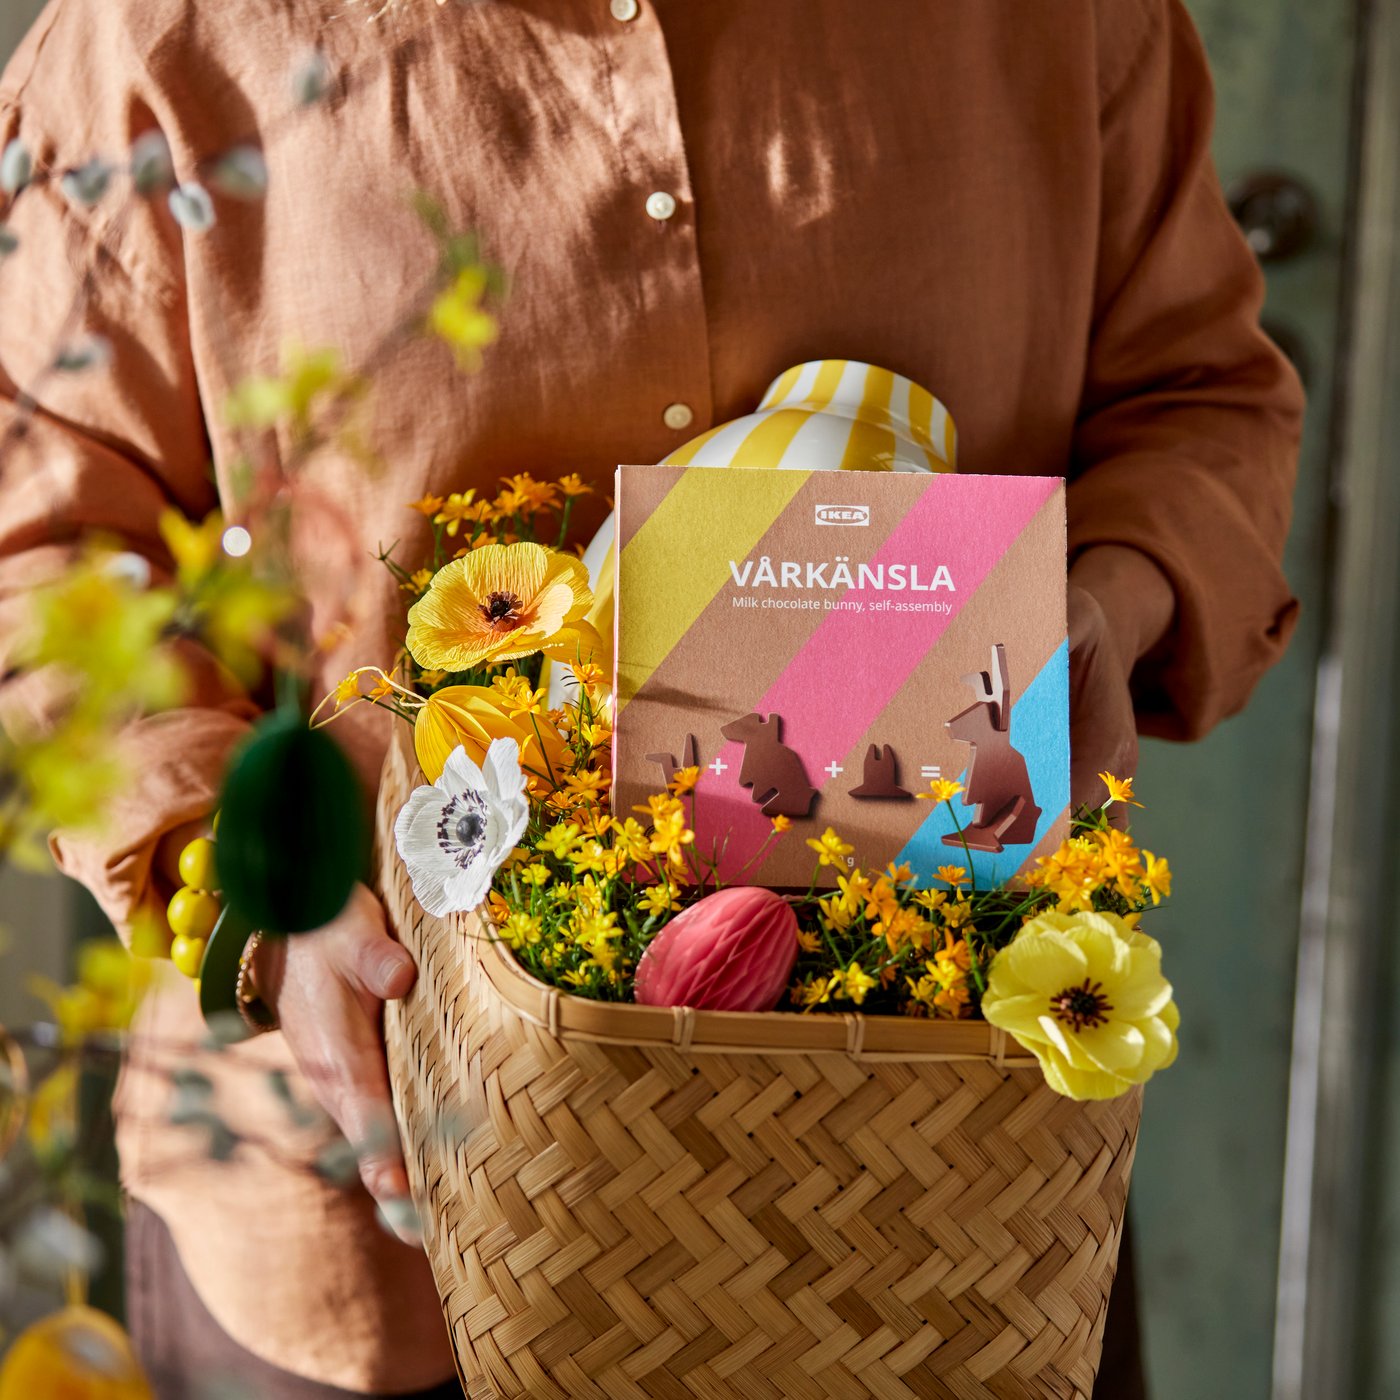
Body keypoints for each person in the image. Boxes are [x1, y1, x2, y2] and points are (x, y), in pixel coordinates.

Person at [0, 0, 1302, 1395]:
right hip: (378, 1223)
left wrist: (1106, 594)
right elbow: (39, 564)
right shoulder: (158, 35)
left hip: (932, 1209)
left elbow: (1201, 397)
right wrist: (258, 882)